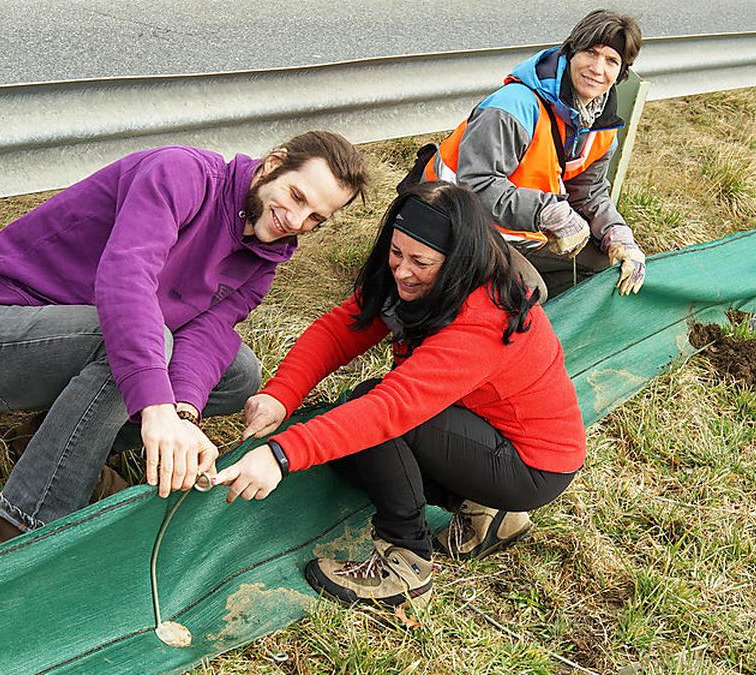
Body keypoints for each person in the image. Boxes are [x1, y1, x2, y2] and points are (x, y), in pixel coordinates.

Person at [0, 131, 369, 550]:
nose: (295, 222)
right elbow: (126, 282)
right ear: (273, 164)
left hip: (75, 346)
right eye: (296, 196)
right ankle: (23, 527)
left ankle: (50, 445)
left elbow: (209, 332)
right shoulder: (180, 173)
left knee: (239, 374)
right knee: (143, 345)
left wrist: (181, 412)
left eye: (314, 218)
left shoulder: (263, 260)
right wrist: (155, 409)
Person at [215, 181, 587, 607]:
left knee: (368, 415)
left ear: (457, 263)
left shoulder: (483, 317)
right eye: (396, 252)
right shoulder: (424, 279)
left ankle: (406, 564)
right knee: (353, 459)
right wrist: (282, 394)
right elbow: (342, 329)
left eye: (420, 262)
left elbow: (389, 409)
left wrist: (281, 456)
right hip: (484, 431)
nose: (402, 271)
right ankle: (486, 512)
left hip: (531, 464)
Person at [419, 9, 646, 300]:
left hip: (518, 229)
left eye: (611, 60)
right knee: (526, 292)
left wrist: (617, 235)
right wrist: (547, 212)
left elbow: (589, 194)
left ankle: (535, 330)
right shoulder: (514, 106)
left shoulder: (600, 124)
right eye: (590, 52)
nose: (597, 68)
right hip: (450, 218)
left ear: (621, 73)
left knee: (604, 266)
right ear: (570, 52)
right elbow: (474, 187)